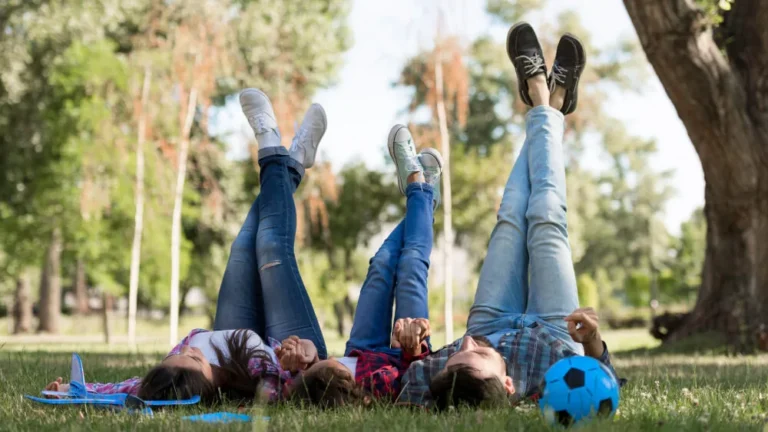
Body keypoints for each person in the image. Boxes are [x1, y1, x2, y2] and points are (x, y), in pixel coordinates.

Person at [44, 88, 329, 404]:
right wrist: (301, 357)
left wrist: (71, 392)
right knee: (271, 247)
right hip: (298, 354)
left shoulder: (170, 379)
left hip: (235, 340)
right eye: (193, 359)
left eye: (174, 355)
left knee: (242, 247)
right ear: (208, 384)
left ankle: (289, 164)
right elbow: (281, 388)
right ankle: (274, 149)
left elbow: (120, 390)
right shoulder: (261, 376)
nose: (189, 349)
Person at [398, 22, 619, 410]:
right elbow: (605, 386)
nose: (465, 343)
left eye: (454, 355)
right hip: (556, 326)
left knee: (512, 214)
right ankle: (547, 100)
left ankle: (546, 102)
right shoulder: (551, 376)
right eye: (478, 356)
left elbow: (407, 385)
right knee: (547, 214)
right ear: (510, 383)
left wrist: (413, 345)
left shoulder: (435, 381)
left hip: (490, 318)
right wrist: (592, 342)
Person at [276, 125, 444, 408]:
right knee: (412, 265)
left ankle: (425, 197)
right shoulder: (376, 389)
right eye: (330, 364)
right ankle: (418, 185)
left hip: (362, 345)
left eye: (323, 362)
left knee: (380, 264)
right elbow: (415, 378)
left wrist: (303, 355)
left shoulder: (306, 386)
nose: (328, 359)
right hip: (405, 344)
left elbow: (291, 379)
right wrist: (413, 346)